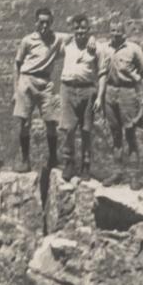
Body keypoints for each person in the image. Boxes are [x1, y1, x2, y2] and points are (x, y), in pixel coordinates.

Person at [13, 7, 94, 172]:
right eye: (41, 22)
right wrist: (16, 89)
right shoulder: (27, 40)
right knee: (24, 122)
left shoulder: (57, 38)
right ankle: (25, 159)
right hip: (26, 79)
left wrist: (91, 37)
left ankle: (53, 159)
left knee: (51, 122)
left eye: (47, 22)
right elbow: (17, 64)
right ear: (36, 22)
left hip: (45, 82)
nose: (44, 25)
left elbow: (78, 34)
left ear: (51, 23)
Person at [60, 14, 108, 182]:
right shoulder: (66, 44)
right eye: (77, 28)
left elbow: (102, 73)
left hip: (87, 91)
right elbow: (52, 37)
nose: (80, 31)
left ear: (88, 29)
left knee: (86, 129)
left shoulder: (96, 48)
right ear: (73, 30)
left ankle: (86, 164)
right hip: (67, 89)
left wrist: (99, 97)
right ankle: (68, 162)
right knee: (68, 129)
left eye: (83, 28)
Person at [103, 19, 143, 184]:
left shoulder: (134, 49)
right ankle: (117, 172)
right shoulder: (105, 48)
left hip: (127, 92)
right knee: (115, 134)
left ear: (124, 32)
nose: (115, 34)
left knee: (130, 133)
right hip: (109, 92)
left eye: (118, 30)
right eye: (112, 30)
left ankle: (134, 175)